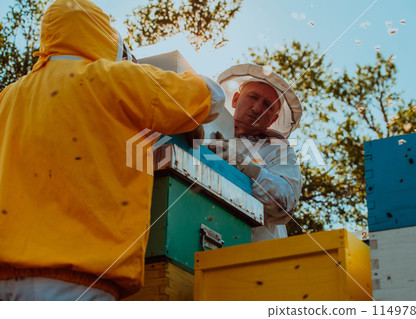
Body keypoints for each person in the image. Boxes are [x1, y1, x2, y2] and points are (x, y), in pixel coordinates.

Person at [0, 0, 224, 301]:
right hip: (76, 279)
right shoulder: (113, 77)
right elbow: (209, 95)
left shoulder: (8, 96)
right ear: (102, 33)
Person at [213, 65, 303, 242]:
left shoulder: (278, 150)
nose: (256, 109)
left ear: (274, 119)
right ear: (235, 99)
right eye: (252, 97)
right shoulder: (211, 131)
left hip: (255, 251)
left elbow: (285, 201)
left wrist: (246, 167)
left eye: (268, 106)